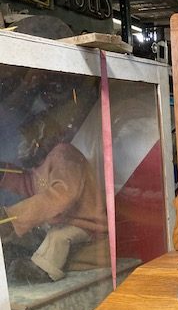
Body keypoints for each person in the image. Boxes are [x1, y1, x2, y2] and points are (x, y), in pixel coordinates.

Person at [0, 121, 107, 284]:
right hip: (62, 221)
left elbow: (60, 196)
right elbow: (30, 184)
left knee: (57, 237)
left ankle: (43, 269)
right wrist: (4, 174)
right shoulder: (43, 163)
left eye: (24, 139)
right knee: (33, 234)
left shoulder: (63, 155)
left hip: (86, 223)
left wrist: (13, 217)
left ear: (38, 139)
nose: (20, 146)